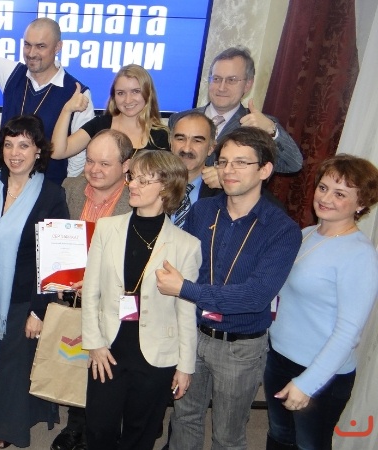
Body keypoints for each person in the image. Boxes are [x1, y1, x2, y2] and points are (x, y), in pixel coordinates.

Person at [155, 127, 302, 450]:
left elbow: (255, 296)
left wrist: (185, 289)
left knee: (228, 435)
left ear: (265, 169)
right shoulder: (202, 211)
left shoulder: (283, 230)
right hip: (192, 334)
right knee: (184, 417)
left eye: (241, 162)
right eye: (223, 162)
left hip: (240, 347)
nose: (228, 170)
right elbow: (179, 263)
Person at [0, 115, 69, 448]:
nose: (14, 153)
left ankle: (7, 427)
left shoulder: (51, 195)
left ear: (38, 151)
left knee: (12, 369)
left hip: (22, 299)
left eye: (24, 145)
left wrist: (39, 311)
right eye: (8, 145)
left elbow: (53, 261)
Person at [82, 150, 201, 449]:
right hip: (109, 348)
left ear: (166, 188)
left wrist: (185, 366)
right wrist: (94, 342)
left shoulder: (186, 245)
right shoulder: (107, 228)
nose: (132, 185)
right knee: (98, 428)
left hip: (157, 354)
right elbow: (91, 291)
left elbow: (186, 312)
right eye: (132, 177)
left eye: (143, 181)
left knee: (141, 433)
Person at [264, 155, 378, 450]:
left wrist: (307, 383)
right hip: (279, 359)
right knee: (279, 437)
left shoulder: (360, 255)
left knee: (309, 445)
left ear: (361, 203)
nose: (325, 198)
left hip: (321, 374)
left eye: (340, 194)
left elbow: (348, 332)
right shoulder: (306, 234)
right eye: (323, 188)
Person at [0, 4, 95, 183]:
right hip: (5, 185)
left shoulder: (78, 93)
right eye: (27, 45)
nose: (32, 53)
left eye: (41, 46)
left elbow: (79, 156)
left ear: (58, 47)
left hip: (49, 190)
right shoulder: (11, 74)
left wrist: (65, 190)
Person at [53, 129, 134, 450]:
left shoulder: (137, 199)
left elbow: (139, 259)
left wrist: (99, 282)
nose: (94, 169)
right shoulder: (69, 188)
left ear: (126, 165)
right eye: (89, 161)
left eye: (104, 163)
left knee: (105, 371)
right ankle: (75, 426)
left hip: (114, 302)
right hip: (72, 297)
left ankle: (96, 433)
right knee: (75, 362)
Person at [168, 47, 303, 184]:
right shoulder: (179, 119)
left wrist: (272, 131)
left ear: (247, 84)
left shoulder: (259, 126)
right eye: (216, 79)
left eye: (231, 80)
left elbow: (292, 165)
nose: (221, 87)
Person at [52, 64, 169, 163]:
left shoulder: (161, 135)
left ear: (148, 93)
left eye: (135, 91)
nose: (128, 100)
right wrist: (67, 110)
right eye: (121, 93)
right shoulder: (100, 125)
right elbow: (57, 152)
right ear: (114, 97)